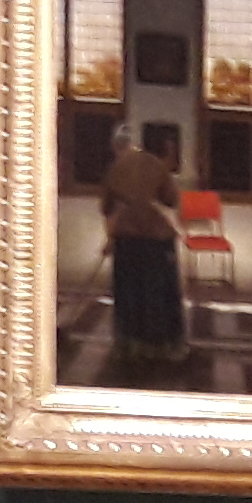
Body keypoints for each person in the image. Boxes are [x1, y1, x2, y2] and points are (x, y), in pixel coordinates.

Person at [98, 133, 185, 370]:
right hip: (156, 240)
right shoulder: (158, 166)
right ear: (165, 151)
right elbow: (171, 199)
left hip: (125, 238)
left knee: (128, 293)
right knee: (158, 293)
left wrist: (111, 235)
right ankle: (160, 346)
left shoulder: (119, 165)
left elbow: (106, 206)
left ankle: (128, 345)